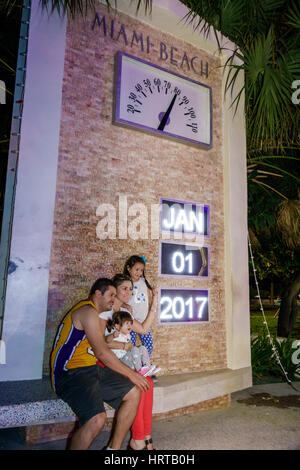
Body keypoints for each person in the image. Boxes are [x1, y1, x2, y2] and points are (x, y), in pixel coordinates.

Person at [50, 278, 150, 450]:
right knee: (97, 419)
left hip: (90, 369)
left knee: (134, 392)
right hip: (69, 374)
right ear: (98, 293)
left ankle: (113, 450)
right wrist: (132, 374)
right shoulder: (87, 311)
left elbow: (101, 344)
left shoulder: (96, 315)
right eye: (111, 295)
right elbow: (102, 352)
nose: (114, 298)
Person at [99, 273, 158, 450]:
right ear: (114, 290)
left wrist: (155, 301)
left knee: (148, 383)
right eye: (124, 288)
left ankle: (146, 437)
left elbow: (144, 329)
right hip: (108, 362)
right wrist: (121, 345)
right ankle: (137, 441)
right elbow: (99, 344)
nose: (128, 292)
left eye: (131, 289)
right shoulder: (104, 313)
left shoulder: (125, 312)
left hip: (124, 361)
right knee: (138, 385)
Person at [105, 310, 160, 376]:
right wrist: (113, 336)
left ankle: (147, 367)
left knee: (142, 348)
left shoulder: (128, 336)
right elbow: (106, 340)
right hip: (119, 361)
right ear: (117, 326)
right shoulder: (115, 334)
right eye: (127, 323)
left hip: (128, 360)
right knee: (134, 349)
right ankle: (140, 370)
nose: (130, 326)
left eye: (131, 323)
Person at [123, 255, 155, 359]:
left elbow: (149, 296)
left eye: (141, 270)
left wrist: (152, 301)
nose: (139, 272)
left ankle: (143, 366)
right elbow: (118, 299)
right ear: (129, 268)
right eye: (136, 269)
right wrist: (124, 305)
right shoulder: (125, 282)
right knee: (130, 347)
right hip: (130, 321)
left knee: (149, 346)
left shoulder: (143, 281)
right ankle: (131, 367)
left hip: (143, 320)